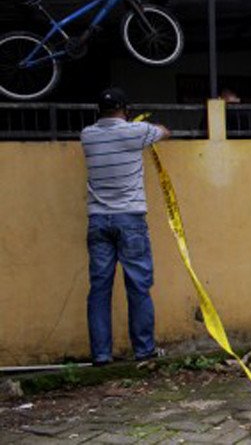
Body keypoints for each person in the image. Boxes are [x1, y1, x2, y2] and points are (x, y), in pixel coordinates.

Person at [80, 87, 170, 366]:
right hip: (130, 219)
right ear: (125, 109)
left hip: (98, 220)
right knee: (138, 286)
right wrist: (141, 125)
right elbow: (164, 131)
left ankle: (101, 355)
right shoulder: (135, 132)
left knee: (99, 288)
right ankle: (144, 351)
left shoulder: (88, 135)